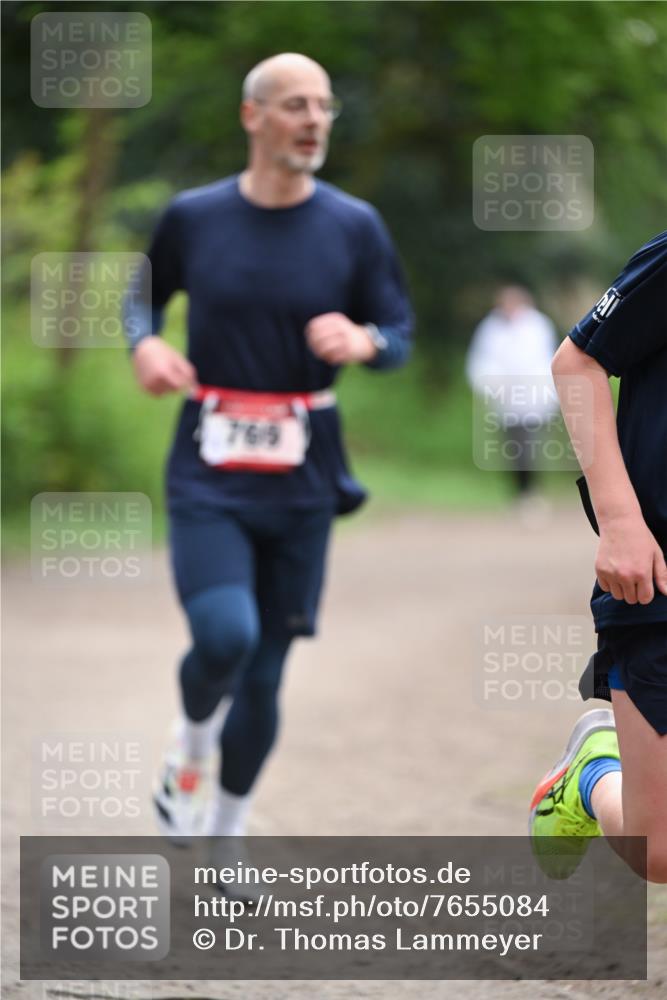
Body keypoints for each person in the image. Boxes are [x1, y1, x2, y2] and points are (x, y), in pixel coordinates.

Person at [124, 54, 413, 876]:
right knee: (225, 637)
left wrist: (365, 342)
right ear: (253, 116)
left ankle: (228, 831)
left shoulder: (354, 225)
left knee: (265, 674)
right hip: (209, 467)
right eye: (295, 105)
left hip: (304, 475)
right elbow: (139, 294)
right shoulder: (193, 216)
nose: (314, 119)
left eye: (324, 105)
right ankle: (189, 741)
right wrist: (144, 341)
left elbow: (398, 331)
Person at [529, 232, 667, 883]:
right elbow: (575, 365)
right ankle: (590, 772)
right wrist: (618, 521)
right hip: (657, 578)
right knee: (658, 850)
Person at [465, 285, 559, 504]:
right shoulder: (490, 328)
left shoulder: (538, 326)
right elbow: (481, 361)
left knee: (530, 445)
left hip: (534, 398)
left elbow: (546, 360)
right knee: (513, 448)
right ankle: (520, 491)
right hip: (505, 400)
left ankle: (531, 490)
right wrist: (493, 384)